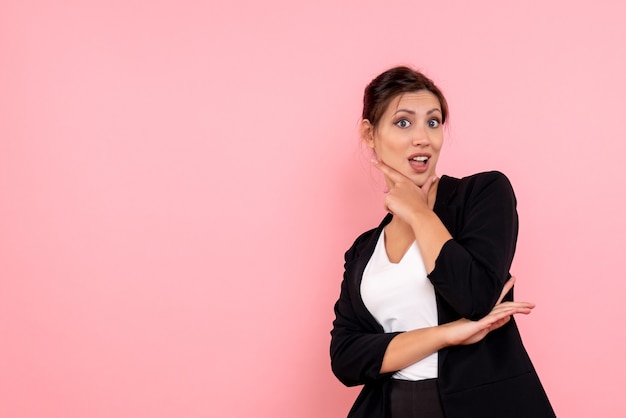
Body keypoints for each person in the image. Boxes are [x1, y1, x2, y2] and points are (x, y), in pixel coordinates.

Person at [330, 66, 555, 418]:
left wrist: (419, 214)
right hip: (391, 408)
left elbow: (476, 298)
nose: (423, 138)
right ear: (369, 134)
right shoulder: (363, 250)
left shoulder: (481, 194)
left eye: (433, 122)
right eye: (404, 122)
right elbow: (346, 359)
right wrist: (448, 334)